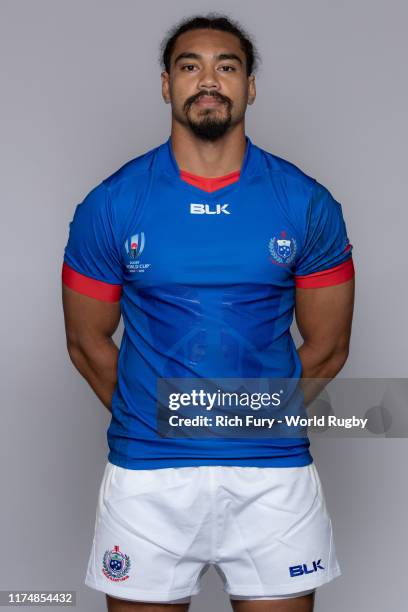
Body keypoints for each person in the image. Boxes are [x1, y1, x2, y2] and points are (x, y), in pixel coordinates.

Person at [61, 13, 355, 612]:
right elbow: (86, 341)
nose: (209, 80)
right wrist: (164, 416)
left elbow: (328, 346)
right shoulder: (112, 204)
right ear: (166, 84)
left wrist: (251, 419)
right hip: (149, 476)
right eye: (189, 66)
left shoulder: (306, 203)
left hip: (271, 476)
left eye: (228, 66)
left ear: (251, 86)